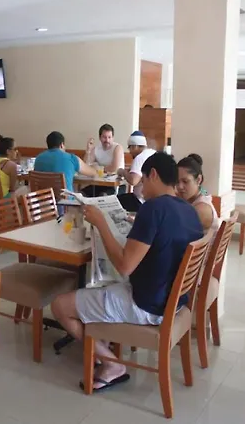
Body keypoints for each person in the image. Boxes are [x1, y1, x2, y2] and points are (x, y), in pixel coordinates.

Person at [51, 152, 203, 391]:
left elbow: (124, 266)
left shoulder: (153, 208)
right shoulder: (188, 210)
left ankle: (111, 364)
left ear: (153, 174)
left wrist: (101, 223)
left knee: (60, 306)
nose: (141, 186)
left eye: (143, 179)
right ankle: (103, 340)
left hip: (148, 305)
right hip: (175, 301)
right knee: (101, 286)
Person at [34, 131, 100, 192]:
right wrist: (96, 169)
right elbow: (93, 173)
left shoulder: (38, 159)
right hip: (65, 200)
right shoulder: (71, 158)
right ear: (62, 145)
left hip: (44, 200)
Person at [177, 154, 220, 233]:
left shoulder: (201, 210)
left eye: (185, 181)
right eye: (177, 181)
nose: (180, 186)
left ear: (198, 180)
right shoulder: (201, 193)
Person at [117, 131, 156, 212]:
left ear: (134, 146)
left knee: (114, 202)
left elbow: (133, 181)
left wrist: (122, 172)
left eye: (130, 148)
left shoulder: (139, 158)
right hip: (152, 201)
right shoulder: (152, 152)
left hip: (139, 201)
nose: (129, 151)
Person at [84, 124, 125, 196]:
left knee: (103, 196)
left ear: (113, 138)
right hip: (99, 184)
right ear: (100, 138)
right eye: (104, 137)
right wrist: (88, 151)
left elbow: (114, 167)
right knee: (82, 194)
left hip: (116, 184)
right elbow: (86, 165)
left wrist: (98, 168)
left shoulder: (118, 148)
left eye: (109, 137)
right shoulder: (96, 148)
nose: (107, 140)